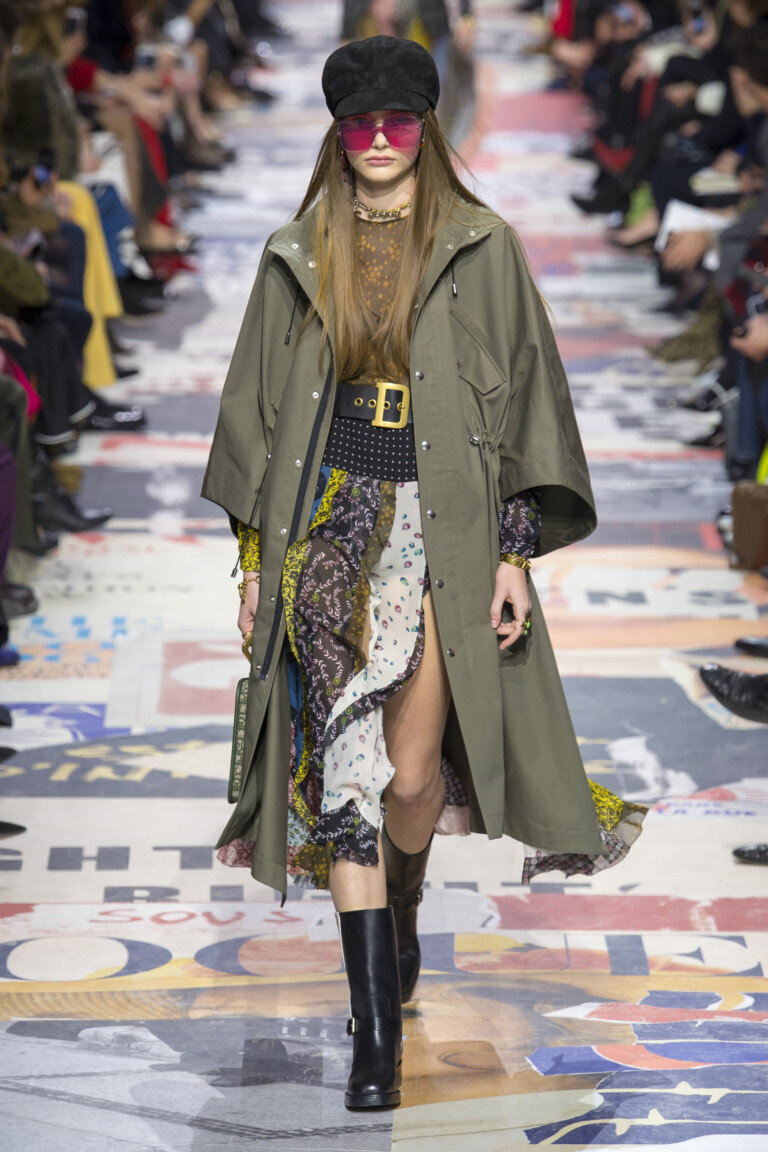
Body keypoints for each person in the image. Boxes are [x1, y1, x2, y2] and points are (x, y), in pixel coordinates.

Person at [202, 35, 646, 1111]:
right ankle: (373, 1037)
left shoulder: (483, 248)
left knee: (411, 784)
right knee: (347, 780)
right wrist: (257, 564)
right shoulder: (297, 251)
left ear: (427, 129)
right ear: (336, 133)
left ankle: (401, 902)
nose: (379, 140)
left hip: (438, 534)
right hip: (328, 531)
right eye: (359, 124)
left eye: (398, 121)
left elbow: (526, 405)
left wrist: (513, 554)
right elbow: (256, 414)